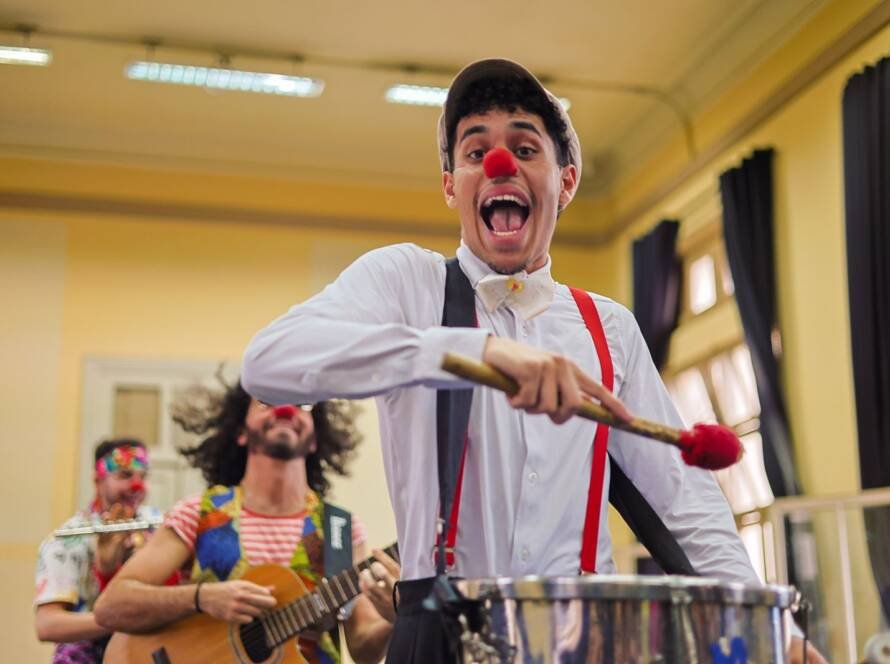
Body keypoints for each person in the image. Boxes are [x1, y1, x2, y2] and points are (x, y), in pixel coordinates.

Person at [239, 59, 825, 663]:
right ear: (451, 185)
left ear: (565, 182)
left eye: (525, 147)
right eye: (474, 152)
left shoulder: (610, 329)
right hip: (438, 637)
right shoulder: (406, 285)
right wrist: (469, 351)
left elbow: (684, 505)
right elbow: (269, 363)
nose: (499, 164)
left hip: (580, 640)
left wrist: (772, 633)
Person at [94, 380, 394, 664]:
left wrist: (396, 617)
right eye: (266, 400)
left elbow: (363, 648)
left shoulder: (341, 528)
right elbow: (111, 606)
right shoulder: (198, 513)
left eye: (302, 404)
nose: (284, 408)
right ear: (240, 431)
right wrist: (201, 597)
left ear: (315, 438)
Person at [35, 438, 156, 663]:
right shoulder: (68, 540)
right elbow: (47, 625)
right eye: (125, 475)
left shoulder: (158, 527)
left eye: (143, 476)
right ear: (98, 481)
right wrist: (120, 620)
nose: (137, 486)